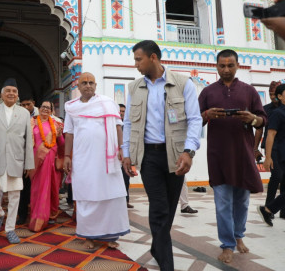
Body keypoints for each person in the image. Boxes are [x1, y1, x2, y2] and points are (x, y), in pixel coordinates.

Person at [122, 40, 202, 271]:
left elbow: (195, 119)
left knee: (169, 206)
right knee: (159, 207)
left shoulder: (182, 83)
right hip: (148, 156)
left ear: (153, 58)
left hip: (175, 155)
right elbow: (128, 123)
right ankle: (167, 264)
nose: (136, 64)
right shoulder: (134, 87)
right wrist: (126, 153)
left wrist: (189, 151)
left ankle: (158, 246)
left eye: (139, 59)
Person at [198, 49, 267, 264]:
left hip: (243, 154)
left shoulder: (249, 91)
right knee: (223, 202)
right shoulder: (207, 92)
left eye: (230, 65)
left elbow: (263, 119)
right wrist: (206, 115)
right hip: (218, 155)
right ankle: (227, 245)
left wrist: (252, 118)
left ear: (237, 65)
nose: (226, 69)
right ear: (216, 67)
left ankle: (239, 236)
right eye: (222, 66)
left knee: (242, 201)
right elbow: (193, 121)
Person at [64, 72, 130, 249]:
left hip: (106, 159)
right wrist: (67, 156)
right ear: (78, 87)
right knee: (86, 197)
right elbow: (69, 134)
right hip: (82, 159)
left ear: (95, 85)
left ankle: (110, 236)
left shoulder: (107, 103)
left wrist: (122, 149)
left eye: (91, 82)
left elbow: (118, 127)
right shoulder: (71, 108)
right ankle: (89, 236)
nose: (88, 85)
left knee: (110, 196)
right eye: (84, 83)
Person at [0, 78, 35, 244]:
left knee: (14, 196)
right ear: (2, 94)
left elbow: (28, 140)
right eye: (8, 91)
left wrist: (29, 164)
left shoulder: (24, 113)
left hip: (15, 161)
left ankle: (10, 229)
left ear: (17, 95)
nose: (11, 93)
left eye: (14, 91)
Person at [254, 81, 285, 220]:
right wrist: (266, 156)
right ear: (280, 96)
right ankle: (268, 207)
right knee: (278, 177)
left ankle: (272, 209)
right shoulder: (275, 112)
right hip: (281, 152)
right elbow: (268, 134)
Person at [29, 100, 65, 232]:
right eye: (43, 107)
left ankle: (51, 214)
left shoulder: (56, 124)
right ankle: (37, 215)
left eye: (48, 108)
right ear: (39, 108)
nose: (45, 109)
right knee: (37, 188)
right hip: (36, 162)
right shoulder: (31, 123)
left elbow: (62, 144)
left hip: (51, 162)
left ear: (51, 111)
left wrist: (60, 135)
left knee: (52, 188)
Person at [17, 96, 38, 225]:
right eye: (23, 105)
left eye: (28, 104)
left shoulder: (41, 117)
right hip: (22, 159)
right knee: (22, 189)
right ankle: (22, 215)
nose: (25, 107)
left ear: (33, 103)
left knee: (36, 189)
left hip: (38, 159)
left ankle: (37, 214)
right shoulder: (17, 116)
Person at [119, 103, 134, 209]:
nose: (121, 113)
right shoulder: (114, 125)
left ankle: (126, 200)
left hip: (126, 157)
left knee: (126, 179)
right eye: (120, 111)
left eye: (124, 111)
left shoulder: (129, 126)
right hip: (115, 157)